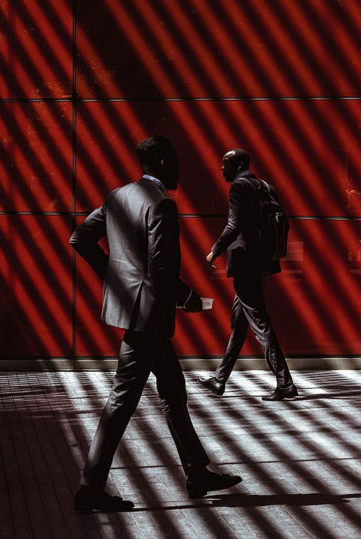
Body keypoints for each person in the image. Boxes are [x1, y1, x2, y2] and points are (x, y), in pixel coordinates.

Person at [70, 136, 241, 512]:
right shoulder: (161, 204)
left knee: (173, 392)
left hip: (138, 313)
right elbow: (161, 270)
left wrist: (117, 278)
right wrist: (188, 298)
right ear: (162, 162)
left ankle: (197, 470)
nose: (181, 169)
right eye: (176, 161)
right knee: (122, 400)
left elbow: (80, 238)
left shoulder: (118, 196)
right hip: (149, 315)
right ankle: (90, 488)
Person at [198, 149, 297, 401]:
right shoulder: (265, 186)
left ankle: (284, 383)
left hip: (246, 263)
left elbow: (234, 225)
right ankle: (220, 380)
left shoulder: (240, 187)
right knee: (240, 325)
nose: (222, 168)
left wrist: (214, 251)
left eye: (226, 162)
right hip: (262, 262)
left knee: (259, 322)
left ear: (239, 163)